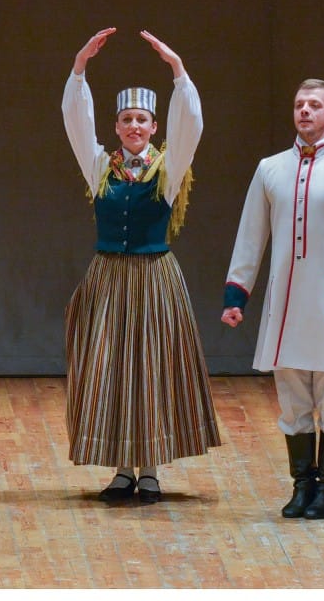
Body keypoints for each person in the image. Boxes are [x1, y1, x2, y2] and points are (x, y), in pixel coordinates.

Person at [61, 27, 220, 504]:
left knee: (151, 367)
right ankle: (121, 469)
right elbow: (75, 123)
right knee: (111, 367)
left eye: (142, 120)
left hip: (153, 278)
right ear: (116, 127)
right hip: (109, 277)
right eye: (127, 119)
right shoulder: (99, 167)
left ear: (154, 127)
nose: (134, 126)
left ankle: (149, 468)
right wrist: (79, 68)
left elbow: (191, 126)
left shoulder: (168, 170)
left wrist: (178, 71)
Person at [221, 78, 324, 520]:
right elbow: (250, 235)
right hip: (286, 304)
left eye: (314, 105)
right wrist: (237, 293)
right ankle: (302, 487)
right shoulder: (270, 169)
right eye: (299, 104)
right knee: (293, 398)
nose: (304, 111)